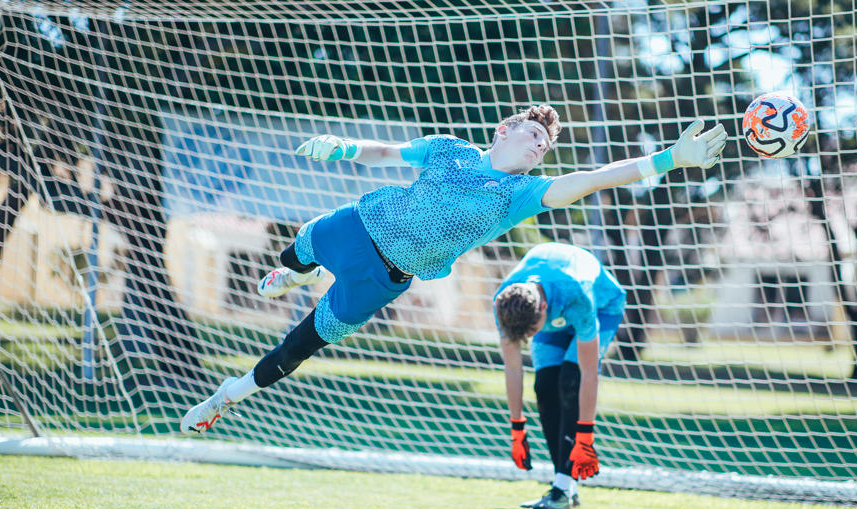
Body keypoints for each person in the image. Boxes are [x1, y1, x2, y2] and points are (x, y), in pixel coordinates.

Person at [180, 105, 727, 437]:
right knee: (294, 254)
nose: (540, 147)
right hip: (355, 224)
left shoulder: (522, 194)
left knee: (298, 348)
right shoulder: (448, 149)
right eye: (533, 136)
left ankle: (225, 397)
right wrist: (342, 147)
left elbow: (589, 179)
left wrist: (667, 161)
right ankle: (296, 274)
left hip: (384, 279)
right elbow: (387, 151)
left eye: (545, 146)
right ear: (504, 130)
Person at [493, 242, 625, 509]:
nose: (529, 338)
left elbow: (589, 373)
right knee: (544, 386)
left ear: (542, 307)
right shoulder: (504, 303)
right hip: (553, 314)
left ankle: (562, 487)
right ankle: (563, 488)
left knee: (568, 381)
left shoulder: (575, 294)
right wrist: (517, 428)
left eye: (531, 332)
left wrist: (585, 436)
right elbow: (513, 367)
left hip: (601, 308)